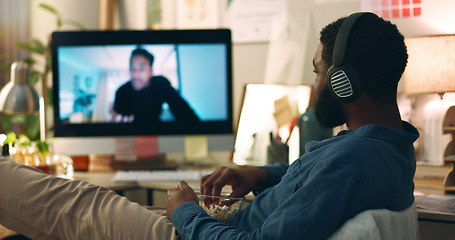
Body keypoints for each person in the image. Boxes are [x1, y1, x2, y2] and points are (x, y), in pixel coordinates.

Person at [0, 12, 418, 239]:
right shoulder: (387, 146)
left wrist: (184, 213)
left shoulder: (350, 161)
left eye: (318, 72)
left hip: (195, 235)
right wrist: (258, 174)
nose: (314, 84)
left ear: (343, 82)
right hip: (216, 224)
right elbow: (308, 180)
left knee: (74, 200)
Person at [112, 48, 200, 124]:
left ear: (151, 71)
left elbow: (183, 110)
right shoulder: (121, 92)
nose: (135, 74)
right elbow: (117, 120)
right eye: (132, 68)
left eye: (142, 68)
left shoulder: (160, 84)